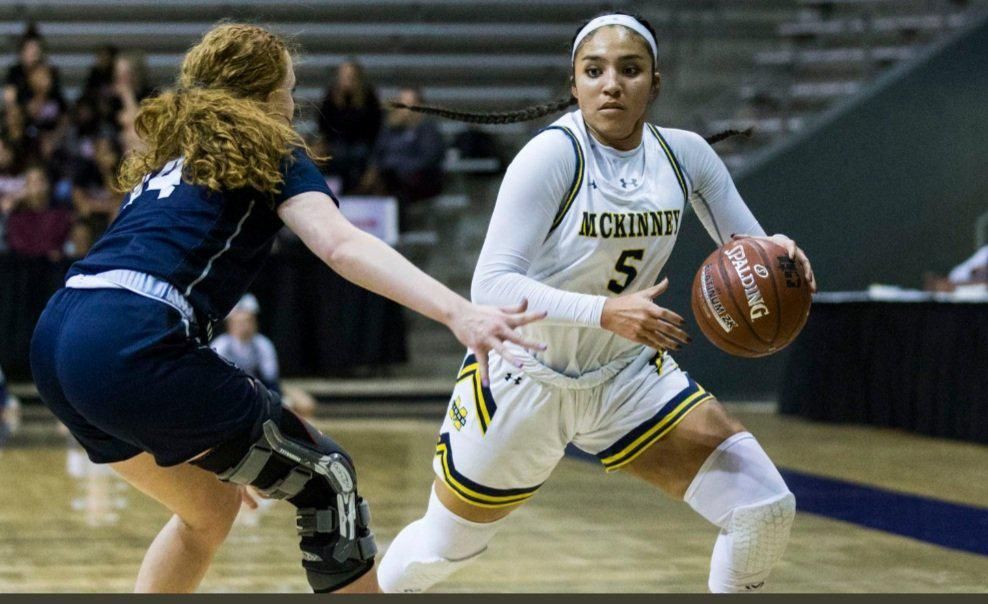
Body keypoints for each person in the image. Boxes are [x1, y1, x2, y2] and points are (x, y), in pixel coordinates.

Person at [29, 23, 545, 594]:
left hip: (58, 335)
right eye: (289, 90)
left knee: (210, 511)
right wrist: (458, 312)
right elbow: (340, 245)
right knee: (328, 479)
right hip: (127, 340)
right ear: (265, 96)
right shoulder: (268, 148)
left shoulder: (170, 160)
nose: (293, 105)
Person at [376, 12, 817, 594]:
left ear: (654, 84)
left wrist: (782, 258)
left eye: (630, 70)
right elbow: (491, 286)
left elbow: (747, 254)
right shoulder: (551, 155)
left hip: (625, 375)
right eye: (595, 70)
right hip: (525, 372)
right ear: (574, 82)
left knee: (762, 509)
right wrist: (605, 312)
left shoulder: (687, 156)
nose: (612, 83)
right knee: (440, 552)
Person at [210, 293, 316, 418]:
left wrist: (274, 401)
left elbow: (271, 381)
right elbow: (214, 382)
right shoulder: (221, 346)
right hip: (229, 394)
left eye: (247, 321)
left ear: (255, 322)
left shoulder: (263, 345)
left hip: (258, 392)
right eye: (238, 322)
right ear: (230, 324)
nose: (244, 326)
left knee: (305, 404)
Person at [358, 87, 445, 228]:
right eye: (402, 103)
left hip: (418, 179)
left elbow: (430, 158)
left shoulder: (427, 128)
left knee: (393, 184)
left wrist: (399, 168)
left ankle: (397, 229)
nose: (406, 108)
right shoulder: (391, 127)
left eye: (410, 103)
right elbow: (378, 152)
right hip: (388, 176)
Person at [318, 59, 382, 193]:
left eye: (350, 76)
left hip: (363, 145)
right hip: (336, 144)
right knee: (333, 155)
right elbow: (323, 124)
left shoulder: (368, 96)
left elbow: (374, 128)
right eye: (344, 76)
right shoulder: (331, 96)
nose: (347, 79)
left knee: (359, 155)